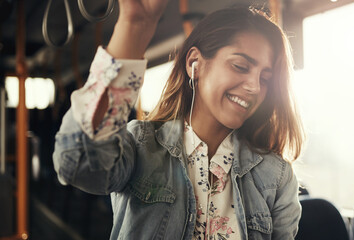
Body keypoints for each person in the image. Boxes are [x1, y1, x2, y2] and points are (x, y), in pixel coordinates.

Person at [53, 0, 304, 239]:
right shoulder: (142, 146)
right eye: (240, 66)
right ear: (195, 63)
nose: (254, 87)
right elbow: (78, 163)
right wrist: (133, 26)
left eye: (265, 79)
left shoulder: (277, 176)